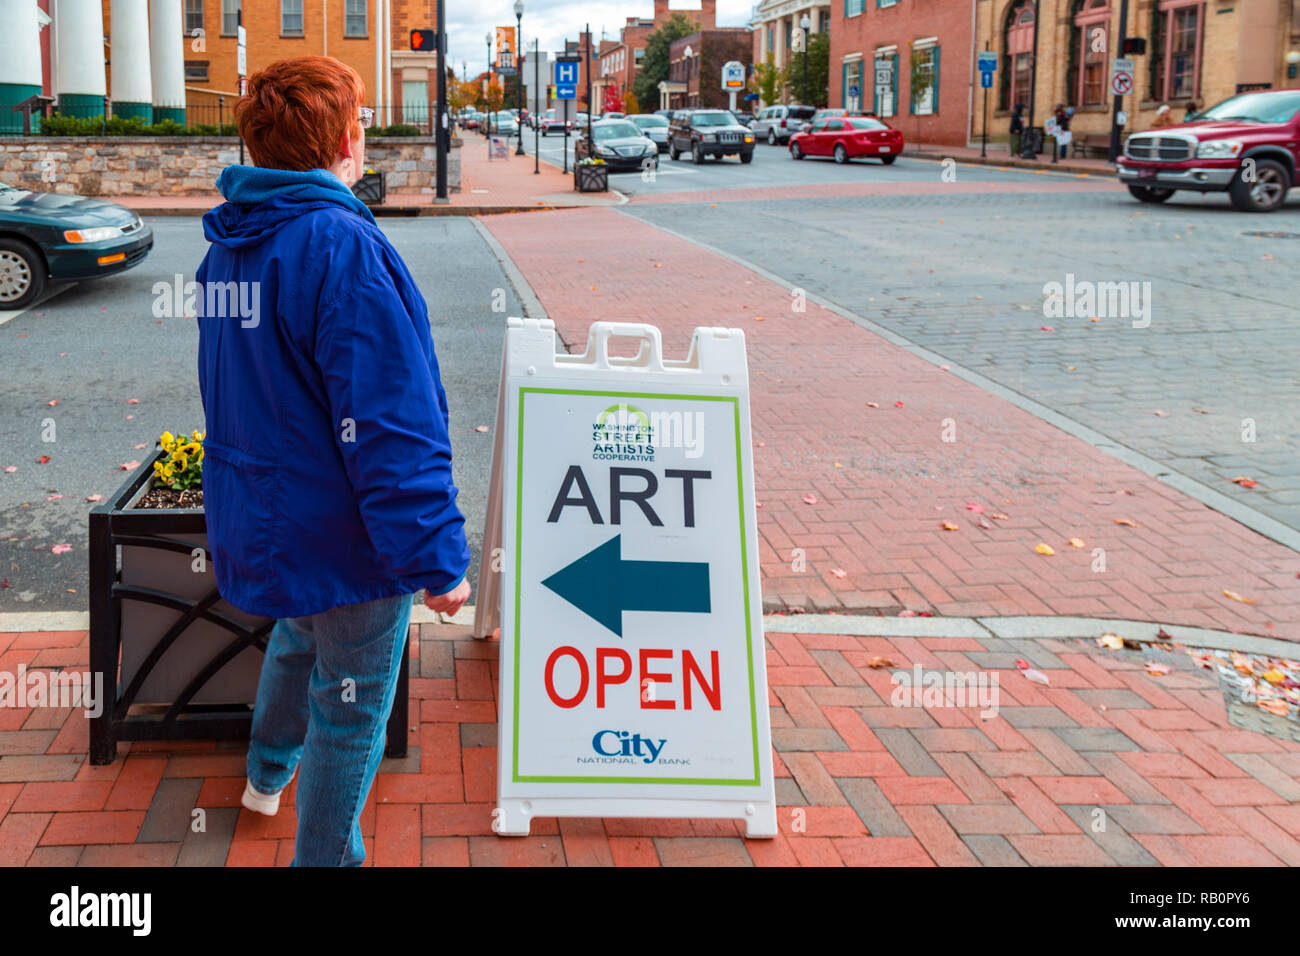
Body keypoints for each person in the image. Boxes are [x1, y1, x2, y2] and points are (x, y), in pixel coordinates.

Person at [195, 56, 472, 866]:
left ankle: (263, 776)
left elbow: (234, 387)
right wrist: (435, 559)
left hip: (270, 518)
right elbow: (391, 424)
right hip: (347, 536)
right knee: (349, 711)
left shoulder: (230, 245)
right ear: (349, 137)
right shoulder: (343, 245)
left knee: (297, 636)